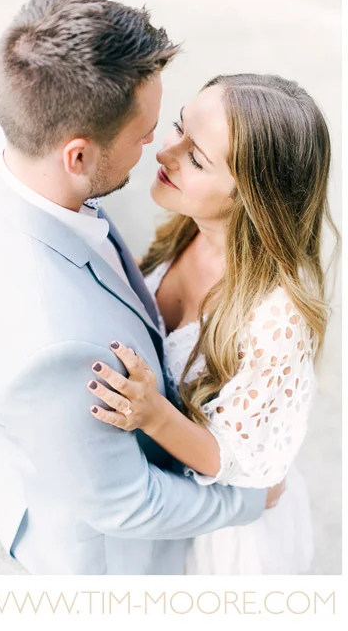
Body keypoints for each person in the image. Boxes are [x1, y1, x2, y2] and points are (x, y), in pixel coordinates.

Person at [0, 0, 284, 574]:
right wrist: (250, 499)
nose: (159, 147)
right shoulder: (56, 346)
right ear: (77, 157)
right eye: (145, 132)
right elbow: (127, 504)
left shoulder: (0, 155)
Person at [86, 74, 330, 574]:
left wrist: (152, 413)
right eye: (178, 127)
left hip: (227, 539)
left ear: (253, 199)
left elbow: (235, 462)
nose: (165, 152)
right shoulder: (190, 226)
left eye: (196, 158)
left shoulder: (276, 319)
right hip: (165, 496)